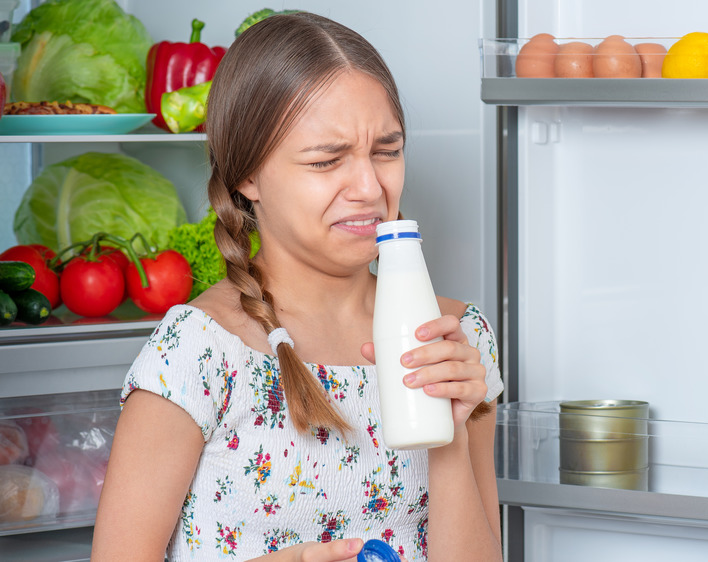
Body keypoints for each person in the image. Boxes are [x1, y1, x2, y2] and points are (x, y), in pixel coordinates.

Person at [92, 12, 503, 562]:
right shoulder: (199, 354)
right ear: (247, 176)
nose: (369, 187)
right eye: (326, 160)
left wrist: (447, 435)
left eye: (387, 151)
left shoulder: (457, 339)